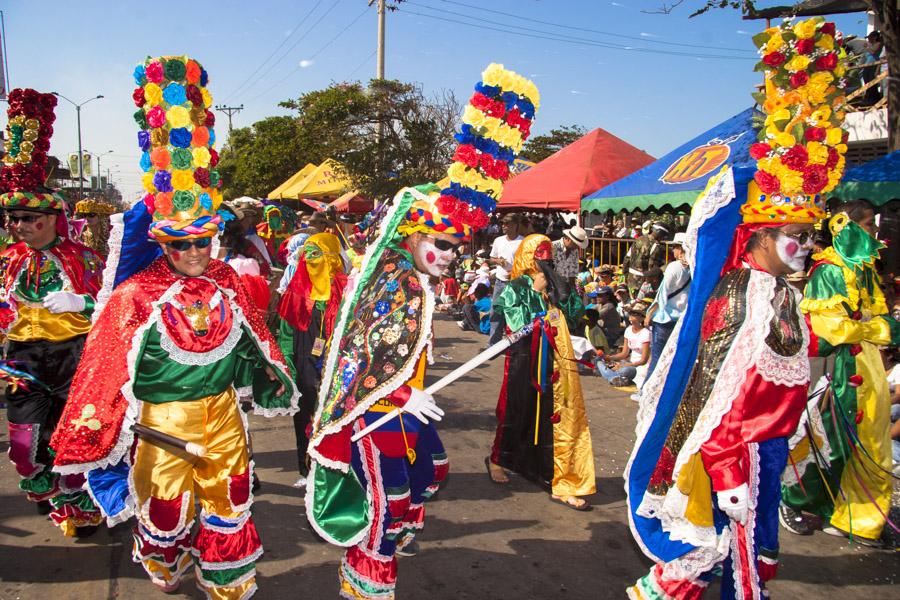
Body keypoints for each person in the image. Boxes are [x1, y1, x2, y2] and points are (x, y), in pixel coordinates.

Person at [50, 55, 299, 598]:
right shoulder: (135, 295)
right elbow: (103, 371)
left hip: (224, 414)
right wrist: (92, 433)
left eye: (202, 240)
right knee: (166, 511)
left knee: (230, 499)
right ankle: (167, 561)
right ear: (161, 241)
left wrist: (271, 377)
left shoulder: (228, 283)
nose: (193, 251)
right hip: (163, 421)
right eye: (180, 242)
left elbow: (257, 337)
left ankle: (228, 581)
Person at [306, 64, 539, 600]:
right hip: (376, 414)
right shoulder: (395, 281)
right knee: (384, 504)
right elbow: (362, 355)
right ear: (411, 236)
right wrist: (401, 393)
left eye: (458, 247)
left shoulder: (413, 276)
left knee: (422, 477)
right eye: (443, 243)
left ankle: (378, 560)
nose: (451, 256)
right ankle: (365, 584)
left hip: (402, 409)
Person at [625, 160, 825, 599]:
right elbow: (714, 390)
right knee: (716, 553)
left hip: (765, 449)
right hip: (735, 453)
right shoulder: (741, 292)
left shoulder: (785, 290)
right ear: (760, 234)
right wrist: (726, 467)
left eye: (812, 235)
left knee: (738, 558)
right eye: (797, 234)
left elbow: (784, 376)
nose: (808, 245)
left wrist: (797, 433)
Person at [0, 88, 105, 537]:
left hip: (72, 354)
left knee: (74, 438)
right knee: (24, 445)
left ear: (52, 220)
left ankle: (78, 502)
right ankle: (43, 484)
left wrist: (79, 301)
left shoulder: (82, 257)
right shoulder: (9, 259)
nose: (20, 226)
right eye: (15, 218)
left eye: (29, 218)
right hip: (22, 357)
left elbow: (109, 303)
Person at [780, 200, 900, 547]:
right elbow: (833, 329)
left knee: (871, 444)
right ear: (846, 227)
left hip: (869, 364)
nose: (875, 234)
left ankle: (857, 518)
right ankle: (794, 499)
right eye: (868, 227)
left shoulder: (863, 269)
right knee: (830, 442)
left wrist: (873, 326)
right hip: (839, 367)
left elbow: (869, 317)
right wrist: (881, 329)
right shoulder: (829, 271)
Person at [488, 233, 595, 510]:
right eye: (540, 256)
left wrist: (562, 290)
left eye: (548, 257)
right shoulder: (514, 288)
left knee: (555, 418)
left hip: (555, 363)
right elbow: (517, 324)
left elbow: (573, 316)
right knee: (516, 411)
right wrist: (535, 292)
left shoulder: (554, 282)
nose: (544, 262)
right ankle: (498, 459)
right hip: (524, 359)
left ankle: (558, 479)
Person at [277, 232, 347, 489]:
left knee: (336, 419)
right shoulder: (296, 291)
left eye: (316, 254)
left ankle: (338, 473)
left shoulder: (346, 289)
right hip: (304, 362)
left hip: (338, 365)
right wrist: (286, 365)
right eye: (306, 255)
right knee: (305, 414)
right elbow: (285, 334)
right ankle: (306, 470)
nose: (310, 260)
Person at [643, 231, 691, 379]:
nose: (673, 250)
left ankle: (646, 390)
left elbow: (663, 294)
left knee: (657, 357)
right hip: (681, 317)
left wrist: (650, 314)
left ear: (680, 248)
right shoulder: (694, 267)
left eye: (675, 247)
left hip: (665, 318)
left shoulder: (674, 267)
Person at [488, 213, 524, 344]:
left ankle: (514, 345)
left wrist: (515, 272)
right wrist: (498, 261)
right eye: (503, 223)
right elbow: (492, 258)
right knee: (495, 313)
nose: (503, 226)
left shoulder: (522, 242)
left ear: (515, 225)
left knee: (515, 314)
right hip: (500, 281)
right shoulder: (499, 240)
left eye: (507, 224)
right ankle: (493, 345)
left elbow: (526, 263)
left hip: (516, 283)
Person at [595, 303, 650, 387]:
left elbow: (643, 361)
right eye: (631, 313)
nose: (631, 315)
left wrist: (622, 365)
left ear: (642, 317)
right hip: (628, 362)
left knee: (627, 370)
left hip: (638, 366)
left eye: (635, 314)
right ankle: (615, 377)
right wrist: (609, 358)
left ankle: (612, 377)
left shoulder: (646, 333)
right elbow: (624, 353)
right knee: (600, 362)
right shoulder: (628, 330)